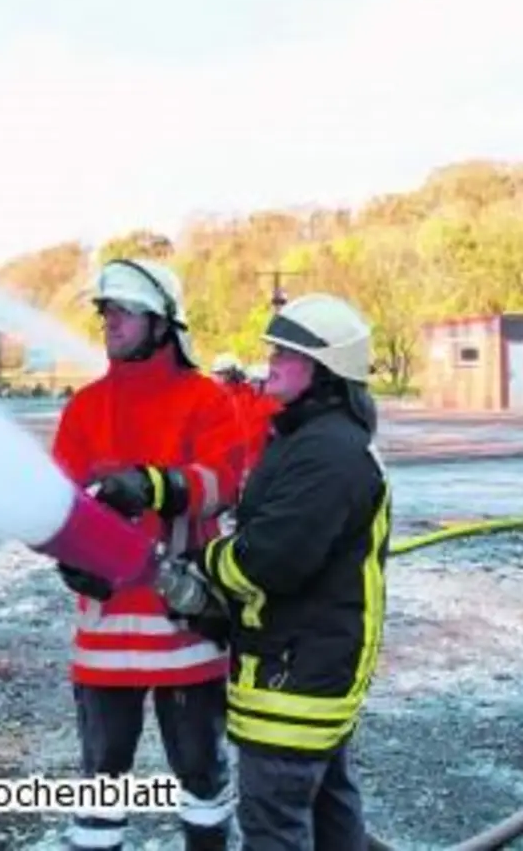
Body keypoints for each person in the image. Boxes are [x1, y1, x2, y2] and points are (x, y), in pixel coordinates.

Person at [49, 257, 249, 851]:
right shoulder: (85, 407)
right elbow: (59, 499)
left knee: (202, 777)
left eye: (123, 310)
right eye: (104, 310)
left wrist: (154, 485)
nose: (108, 320)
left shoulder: (206, 400)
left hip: (183, 625)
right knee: (100, 787)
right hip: (105, 633)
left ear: (163, 323)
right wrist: (68, 555)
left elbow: (223, 482)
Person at [188, 293, 391, 851]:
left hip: (292, 686)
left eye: (287, 353)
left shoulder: (326, 453)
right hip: (308, 673)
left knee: (275, 829)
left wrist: (204, 565)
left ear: (324, 370)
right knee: (332, 817)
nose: (271, 360)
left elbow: (269, 560)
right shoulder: (314, 439)